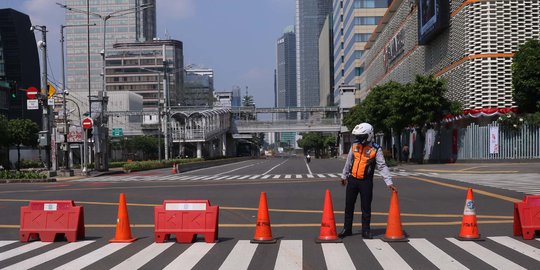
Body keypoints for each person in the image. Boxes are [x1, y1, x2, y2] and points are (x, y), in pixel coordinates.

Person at [339, 123, 397, 239]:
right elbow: (349, 161)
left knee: (366, 207)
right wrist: (344, 176)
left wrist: (389, 182)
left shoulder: (375, 149)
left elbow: (382, 166)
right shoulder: (355, 145)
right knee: (348, 206)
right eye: (358, 136)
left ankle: (366, 230)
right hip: (353, 180)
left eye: (362, 136)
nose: (359, 139)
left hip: (366, 182)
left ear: (369, 135)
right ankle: (347, 229)